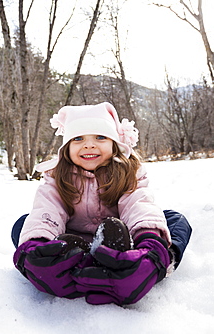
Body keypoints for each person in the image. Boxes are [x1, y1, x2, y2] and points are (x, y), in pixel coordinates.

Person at [12, 102, 192, 305]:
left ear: (114, 143)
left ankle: (152, 262)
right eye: (78, 138)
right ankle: (60, 263)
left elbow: (138, 205)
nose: (89, 145)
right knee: (24, 224)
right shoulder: (57, 177)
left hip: (123, 242)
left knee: (174, 220)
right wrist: (36, 244)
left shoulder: (128, 172)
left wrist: (149, 241)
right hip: (71, 240)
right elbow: (48, 209)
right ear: (67, 147)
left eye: (100, 137)